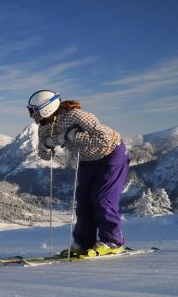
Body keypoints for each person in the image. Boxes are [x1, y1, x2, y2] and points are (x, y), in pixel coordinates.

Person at [27, 89, 129, 257]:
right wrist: (47, 145)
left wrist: (70, 137)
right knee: (83, 201)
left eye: (33, 111)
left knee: (102, 199)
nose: (32, 115)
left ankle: (113, 241)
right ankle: (83, 243)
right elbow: (45, 155)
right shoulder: (44, 127)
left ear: (46, 108)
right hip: (87, 159)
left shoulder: (76, 115)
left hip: (111, 153)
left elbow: (103, 139)